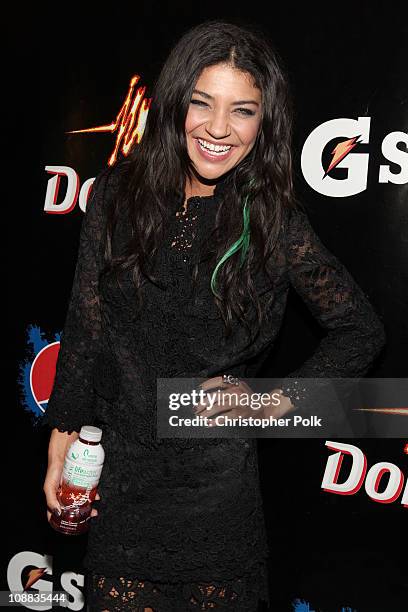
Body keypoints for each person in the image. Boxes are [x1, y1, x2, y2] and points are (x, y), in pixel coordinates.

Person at [42, 20, 386, 612]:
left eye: (243, 111)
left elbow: (361, 330)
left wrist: (272, 401)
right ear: (176, 102)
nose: (219, 130)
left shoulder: (272, 222)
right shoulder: (116, 197)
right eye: (203, 104)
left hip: (215, 497)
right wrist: (61, 446)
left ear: (264, 122)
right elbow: (86, 330)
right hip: (119, 481)